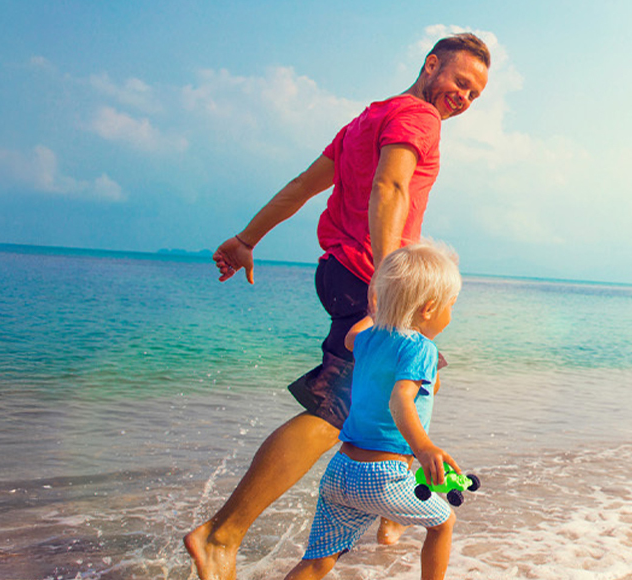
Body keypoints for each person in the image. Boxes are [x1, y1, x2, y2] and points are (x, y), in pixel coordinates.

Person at [185, 33, 490, 580]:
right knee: (333, 413)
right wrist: (384, 281)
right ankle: (219, 535)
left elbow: (303, 186)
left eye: (475, 95)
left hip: (345, 272)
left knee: (423, 374)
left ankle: (390, 510)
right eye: (460, 82)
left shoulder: (365, 120)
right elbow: (390, 188)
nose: (464, 98)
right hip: (371, 279)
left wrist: (247, 238)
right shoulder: (419, 119)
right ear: (431, 66)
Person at [284, 241, 463, 580]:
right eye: (450, 306)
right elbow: (400, 400)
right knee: (443, 523)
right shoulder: (421, 348)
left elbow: (351, 339)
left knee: (319, 560)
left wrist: (374, 312)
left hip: (340, 471)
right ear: (428, 309)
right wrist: (424, 448)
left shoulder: (369, 338)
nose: (451, 316)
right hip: (381, 477)